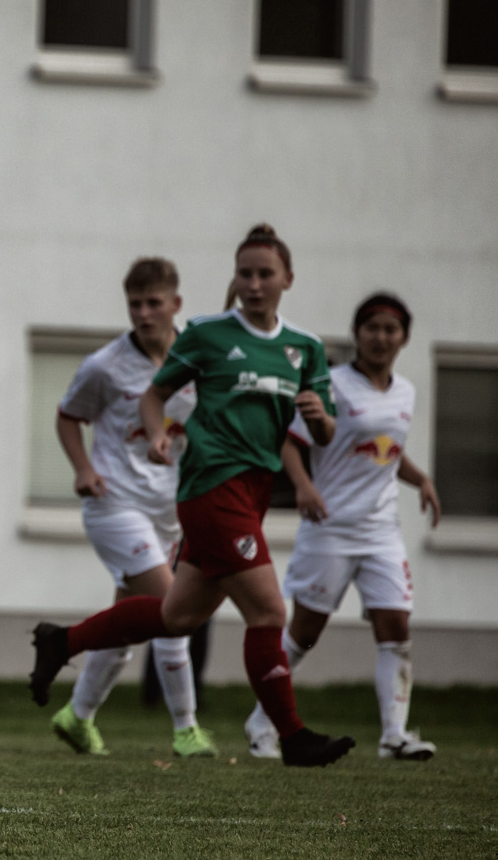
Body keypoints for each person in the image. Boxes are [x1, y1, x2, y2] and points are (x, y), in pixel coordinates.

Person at [28, 224, 357, 767]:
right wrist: (140, 439)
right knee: (270, 612)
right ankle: (280, 733)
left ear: (287, 280)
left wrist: (322, 422)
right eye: (244, 273)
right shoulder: (197, 338)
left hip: (235, 493)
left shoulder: (305, 348)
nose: (253, 284)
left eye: (264, 274)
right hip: (204, 489)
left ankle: (61, 644)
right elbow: (147, 398)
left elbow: (323, 434)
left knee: (175, 617)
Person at [247, 292, 443, 761]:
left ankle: (394, 735)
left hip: (381, 531)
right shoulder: (330, 384)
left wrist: (422, 480)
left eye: (390, 329)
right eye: (371, 327)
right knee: (305, 631)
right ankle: (261, 721)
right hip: (329, 526)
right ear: (356, 334)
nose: (380, 337)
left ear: (405, 338)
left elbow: (384, 452)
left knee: (395, 623)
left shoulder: (406, 393)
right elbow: (291, 444)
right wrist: (302, 486)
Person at [43, 258, 217, 758]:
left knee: (129, 623)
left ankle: (77, 716)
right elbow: (67, 417)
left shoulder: (196, 357)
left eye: (153, 303)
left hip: (168, 512)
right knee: (174, 610)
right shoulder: (105, 366)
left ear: (175, 305)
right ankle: (186, 729)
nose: (143, 313)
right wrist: (82, 468)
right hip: (113, 505)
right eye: (135, 304)